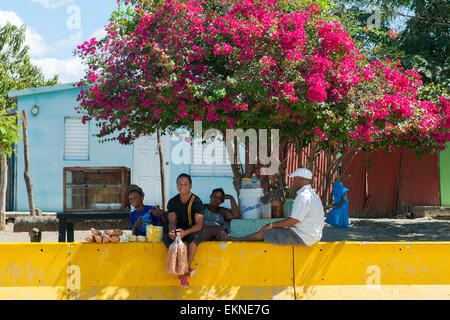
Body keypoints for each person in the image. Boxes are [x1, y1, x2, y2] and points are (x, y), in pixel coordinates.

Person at [224, 168, 324, 246]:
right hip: (311, 235)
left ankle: (237, 240)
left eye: (295, 180)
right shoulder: (312, 195)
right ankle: (238, 239)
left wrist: (271, 225)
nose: (293, 183)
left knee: (266, 232)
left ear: (302, 180)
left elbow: (293, 220)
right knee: (269, 229)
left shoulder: (304, 196)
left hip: (303, 237)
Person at [164, 173, 205, 288]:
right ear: (177, 186)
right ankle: (185, 269)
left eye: (185, 184)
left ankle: (183, 271)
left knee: (195, 237)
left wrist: (184, 233)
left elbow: (199, 225)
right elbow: (171, 222)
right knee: (167, 238)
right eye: (180, 184)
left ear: (190, 186)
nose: (182, 186)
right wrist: (172, 231)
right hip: (179, 229)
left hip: (192, 229)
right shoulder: (172, 202)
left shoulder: (197, 202)